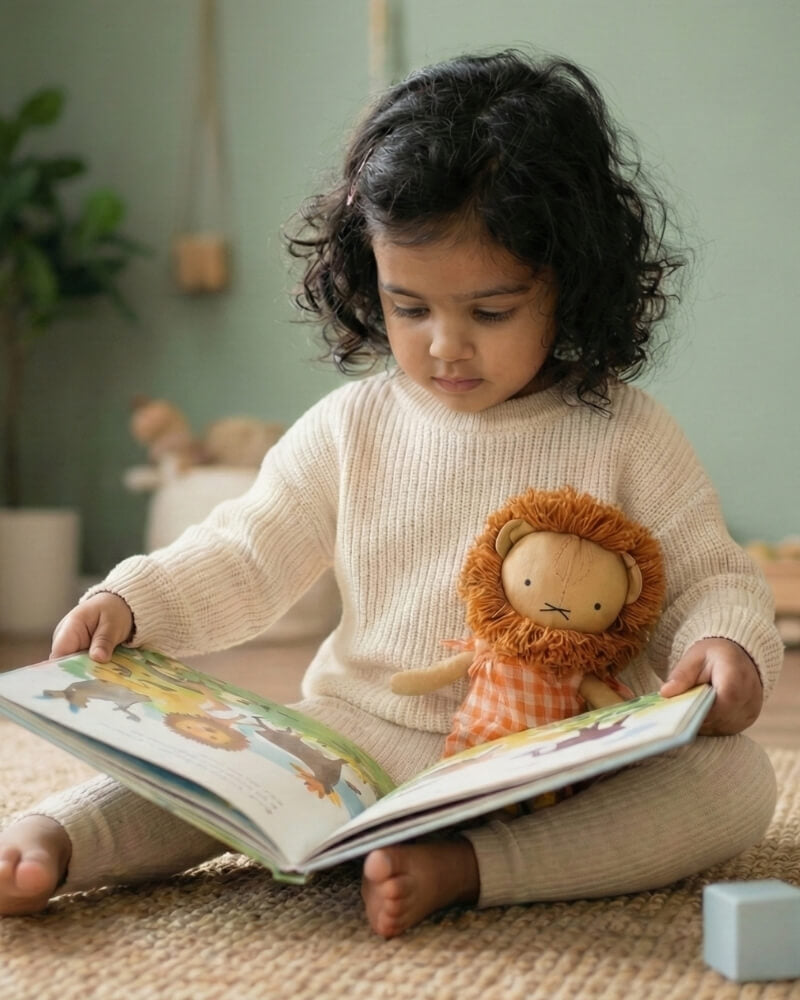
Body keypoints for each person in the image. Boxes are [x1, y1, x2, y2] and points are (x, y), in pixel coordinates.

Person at [0, 50, 782, 939]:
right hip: (360, 742)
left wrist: (729, 649)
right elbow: (248, 549)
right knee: (215, 767)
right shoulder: (352, 425)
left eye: (489, 313)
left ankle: (469, 869)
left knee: (735, 783)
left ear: (575, 283)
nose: (446, 345)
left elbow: (711, 575)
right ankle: (61, 837)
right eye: (410, 308)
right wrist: (132, 601)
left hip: (564, 758)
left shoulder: (627, 430)